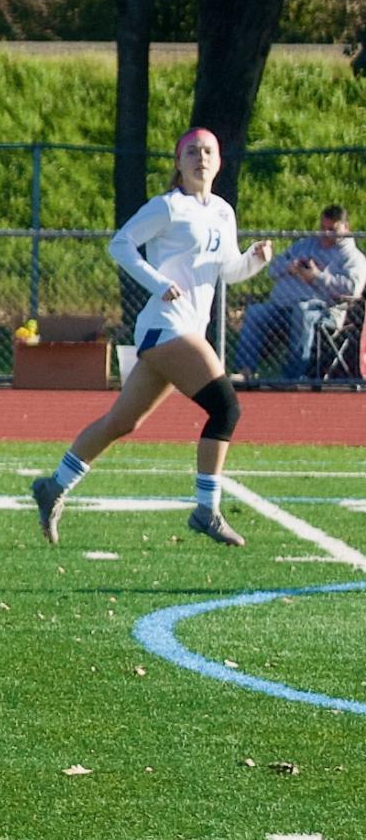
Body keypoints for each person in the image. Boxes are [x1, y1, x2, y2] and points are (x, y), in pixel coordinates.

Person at [30, 127, 272, 548]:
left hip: (183, 330)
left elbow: (227, 270)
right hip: (166, 324)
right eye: (192, 151)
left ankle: (54, 486)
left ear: (219, 161)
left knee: (122, 422)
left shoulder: (222, 212)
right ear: (178, 163)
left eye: (208, 151)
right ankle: (206, 510)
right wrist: (158, 281)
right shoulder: (168, 207)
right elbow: (120, 244)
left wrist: (254, 260)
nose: (201, 157)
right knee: (226, 407)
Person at [232, 204, 365, 380]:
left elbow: (352, 289)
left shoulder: (353, 258)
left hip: (322, 311)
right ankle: (245, 370)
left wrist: (316, 276)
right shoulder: (305, 245)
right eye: (322, 228)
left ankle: (293, 377)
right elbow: (273, 269)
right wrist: (291, 266)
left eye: (332, 229)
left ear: (345, 228)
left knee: (302, 312)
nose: (325, 234)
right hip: (282, 306)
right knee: (256, 313)